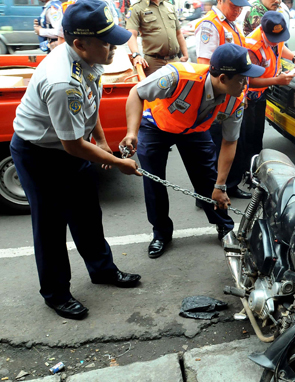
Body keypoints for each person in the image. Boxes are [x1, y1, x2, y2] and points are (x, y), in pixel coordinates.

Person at [10, 0, 142, 320]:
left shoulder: (92, 58)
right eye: (107, 41)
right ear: (80, 43)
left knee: (86, 213)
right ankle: (56, 293)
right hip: (39, 154)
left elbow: (90, 104)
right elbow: (71, 146)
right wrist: (121, 164)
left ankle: (102, 270)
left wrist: (102, 140)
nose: (114, 48)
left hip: (70, 144)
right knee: (51, 225)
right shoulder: (62, 81)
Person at [119, 43, 265, 259]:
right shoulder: (177, 76)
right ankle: (161, 233)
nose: (246, 83)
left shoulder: (236, 99)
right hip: (157, 126)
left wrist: (221, 185)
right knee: (154, 181)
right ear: (223, 78)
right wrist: (132, 132)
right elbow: (136, 92)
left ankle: (224, 226)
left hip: (194, 129)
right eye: (242, 78)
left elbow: (229, 142)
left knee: (208, 178)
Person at [195, 0, 253, 199]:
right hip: (218, 98)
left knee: (233, 141)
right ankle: (206, 193)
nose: (238, 10)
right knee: (214, 146)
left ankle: (230, 185)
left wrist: (241, 92)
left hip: (234, 95)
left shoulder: (233, 24)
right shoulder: (211, 24)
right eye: (233, 5)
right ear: (220, 1)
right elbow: (205, 65)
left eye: (240, 7)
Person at [244, 12, 295, 163]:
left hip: (263, 91)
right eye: (273, 39)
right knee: (248, 135)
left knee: (258, 132)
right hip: (249, 97)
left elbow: (280, 48)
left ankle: (257, 163)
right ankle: (245, 168)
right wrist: (277, 80)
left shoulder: (277, 35)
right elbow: (250, 81)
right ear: (262, 30)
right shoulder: (252, 46)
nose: (276, 42)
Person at [126, 0, 189, 76]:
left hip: (174, 60)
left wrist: (185, 54)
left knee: (179, 87)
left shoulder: (169, 6)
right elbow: (131, 35)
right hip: (154, 63)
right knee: (154, 87)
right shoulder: (137, 8)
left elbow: (178, 33)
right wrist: (136, 55)